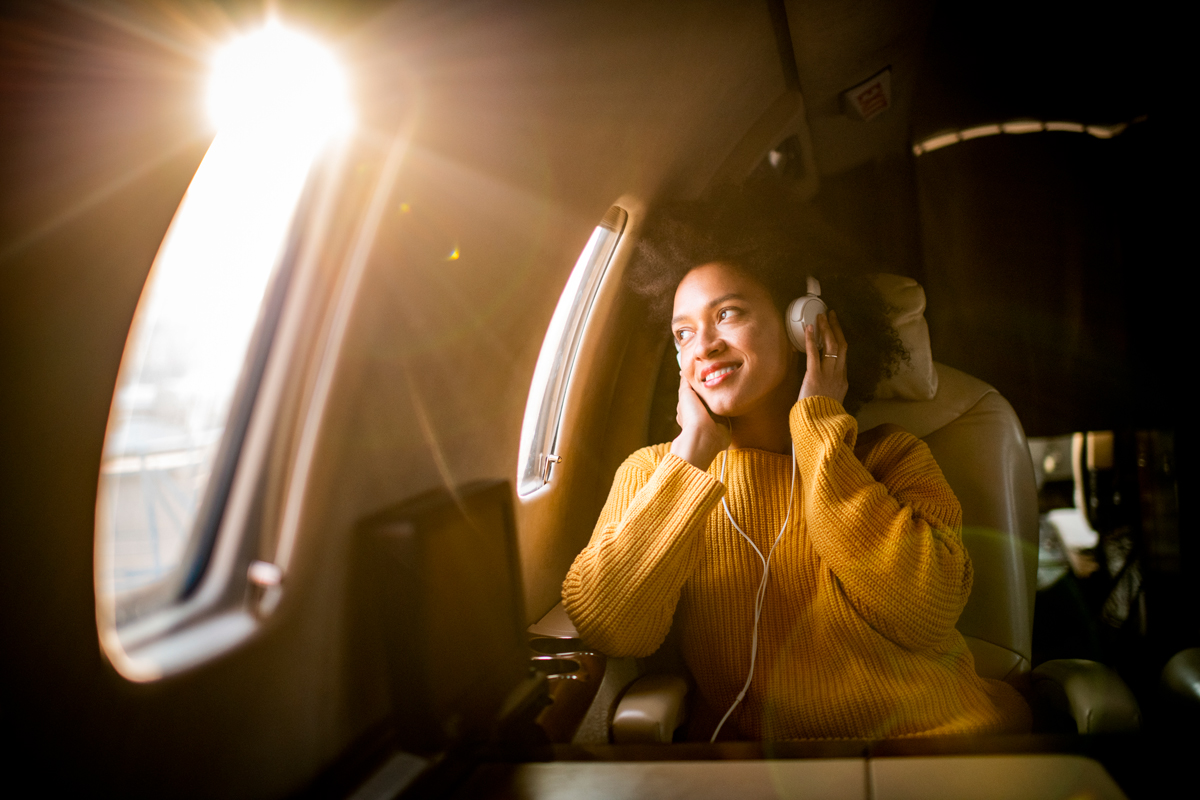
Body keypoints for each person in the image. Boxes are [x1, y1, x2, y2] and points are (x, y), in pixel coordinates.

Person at [562, 196, 1031, 741]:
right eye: (683, 333)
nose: (704, 347)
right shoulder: (656, 475)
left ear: (801, 324)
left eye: (728, 314)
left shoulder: (890, 457)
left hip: (948, 748)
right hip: (777, 779)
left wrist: (819, 427)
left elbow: (922, 612)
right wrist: (691, 452)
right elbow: (610, 626)